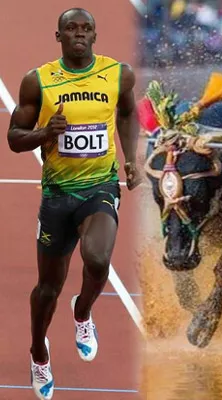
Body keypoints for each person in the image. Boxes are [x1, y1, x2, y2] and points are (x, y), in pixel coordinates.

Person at [6, 8, 142, 399]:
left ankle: (82, 312)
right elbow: (15, 137)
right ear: (59, 36)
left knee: (98, 259)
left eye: (86, 29)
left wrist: (130, 158)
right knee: (48, 288)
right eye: (71, 28)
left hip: (99, 187)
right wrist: (46, 133)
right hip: (56, 197)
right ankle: (38, 352)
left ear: (95, 35)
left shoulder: (118, 74)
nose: (79, 34)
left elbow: (129, 112)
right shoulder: (39, 81)